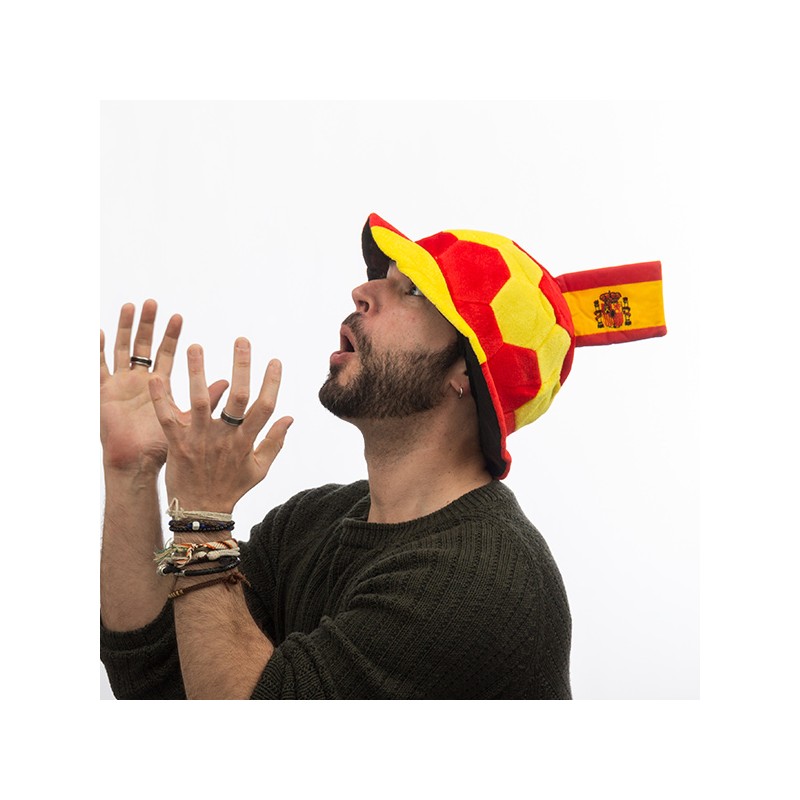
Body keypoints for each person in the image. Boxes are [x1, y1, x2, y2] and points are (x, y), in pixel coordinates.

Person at [100, 213, 666, 700]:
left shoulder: (480, 582)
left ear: (464, 371)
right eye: (384, 277)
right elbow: (160, 679)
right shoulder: (310, 523)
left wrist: (203, 516)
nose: (362, 291)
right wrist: (132, 473)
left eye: (412, 290)